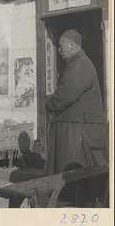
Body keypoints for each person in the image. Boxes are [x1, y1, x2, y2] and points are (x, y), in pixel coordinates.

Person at [45, 29, 108, 205]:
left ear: (72, 45)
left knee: (75, 171)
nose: (59, 50)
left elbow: (64, 95)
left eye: (61, 46)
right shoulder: (78, 63)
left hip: (79, 129)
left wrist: (48, 102)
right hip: (77, 125)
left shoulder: (80, 64)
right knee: (80, 172)